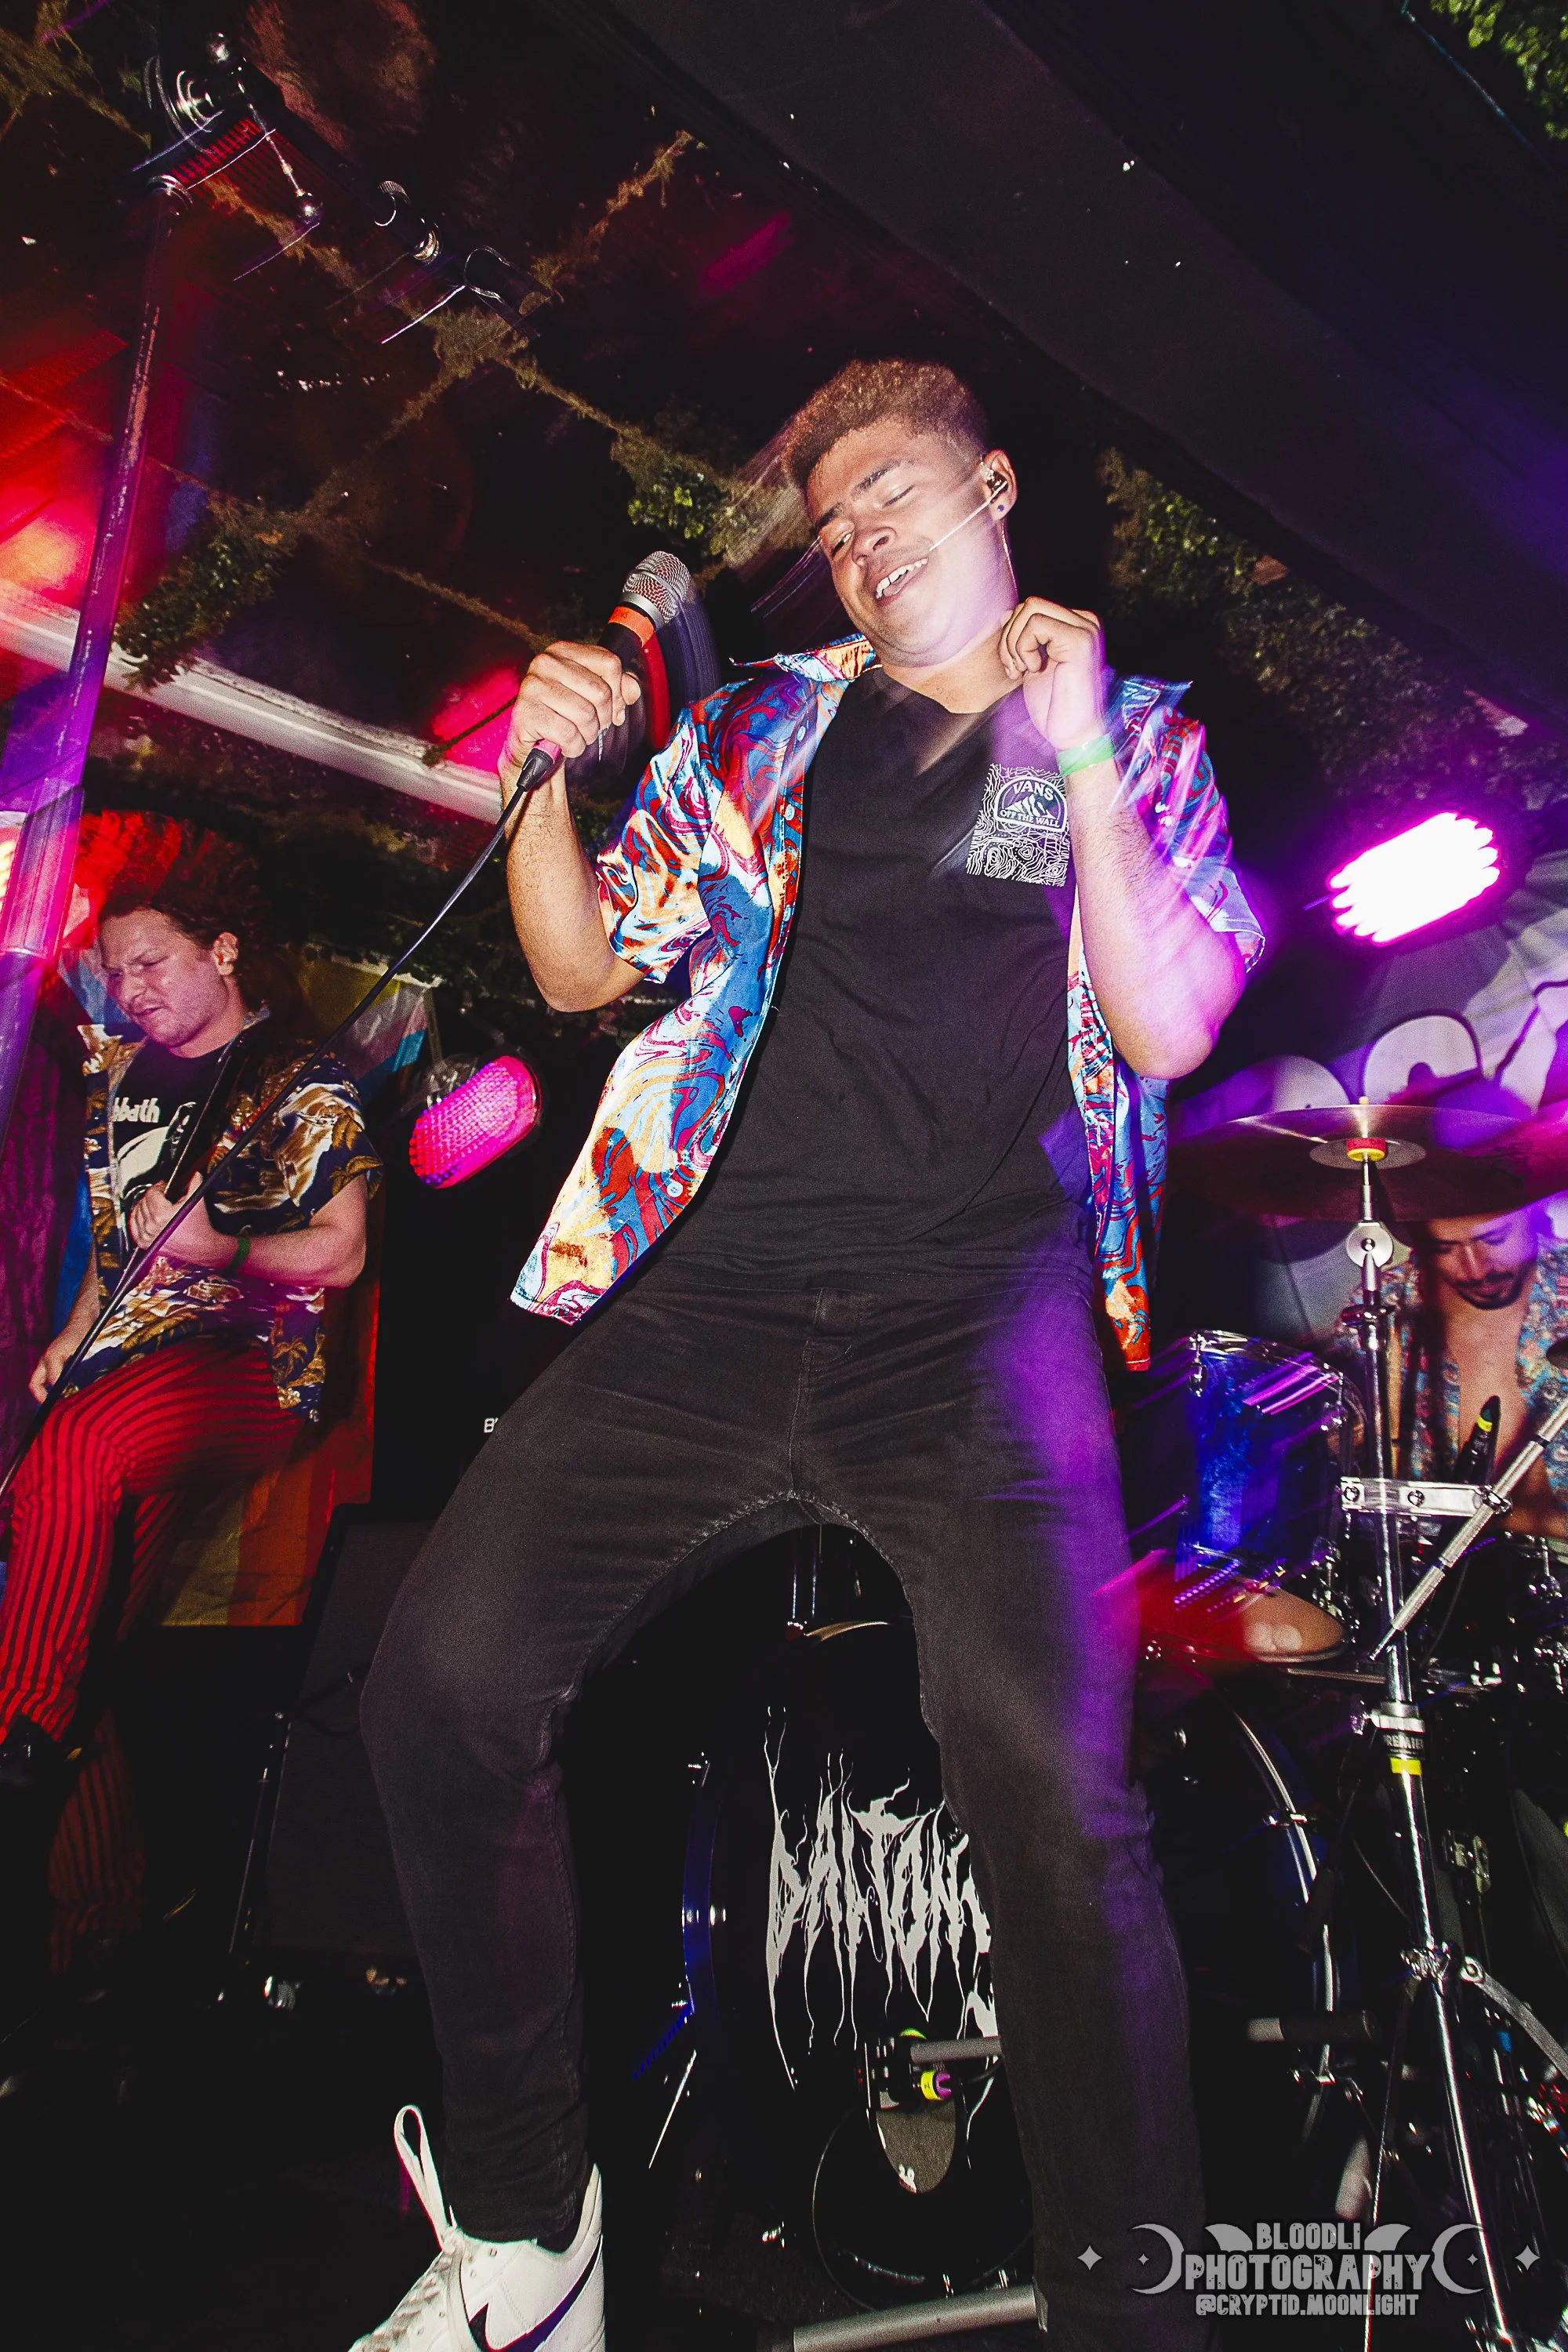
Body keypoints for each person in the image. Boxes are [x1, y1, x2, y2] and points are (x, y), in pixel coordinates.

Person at [357, 360, 1262, 2352]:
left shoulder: (1111, 751)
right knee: (434, 1684)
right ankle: (529, 2232)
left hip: (975, 1316)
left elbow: (1172, 1019)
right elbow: (587, 966)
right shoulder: (769, 730)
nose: (856, 539)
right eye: (830, 523)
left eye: (893, 495)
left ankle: (1135, 2317)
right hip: (715, 1296)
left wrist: (1085, 756)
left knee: (1048, 1782)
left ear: (996, 487)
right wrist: (541, 781)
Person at [0, 839, 381, 1969]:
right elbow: (112, 1247)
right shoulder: (120, 1083)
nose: (133, 990)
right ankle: (104, 1916)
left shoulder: (301, 1076)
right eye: (117, 972)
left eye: (154, 962)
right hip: (128, 1357)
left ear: (222, 949)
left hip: (250, 1357)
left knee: (75, 1453)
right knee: (79, 1624)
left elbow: (347, 1254)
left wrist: (229, 1246)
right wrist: (74, 1331)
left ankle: (12, 1759)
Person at [1382, 1204, 1568, 1533]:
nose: (1475, 1270)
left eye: (1494, 1239)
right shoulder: (1386, 1305)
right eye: (1444, 1248)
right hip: (1440, 1568)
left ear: (1530, 1213)